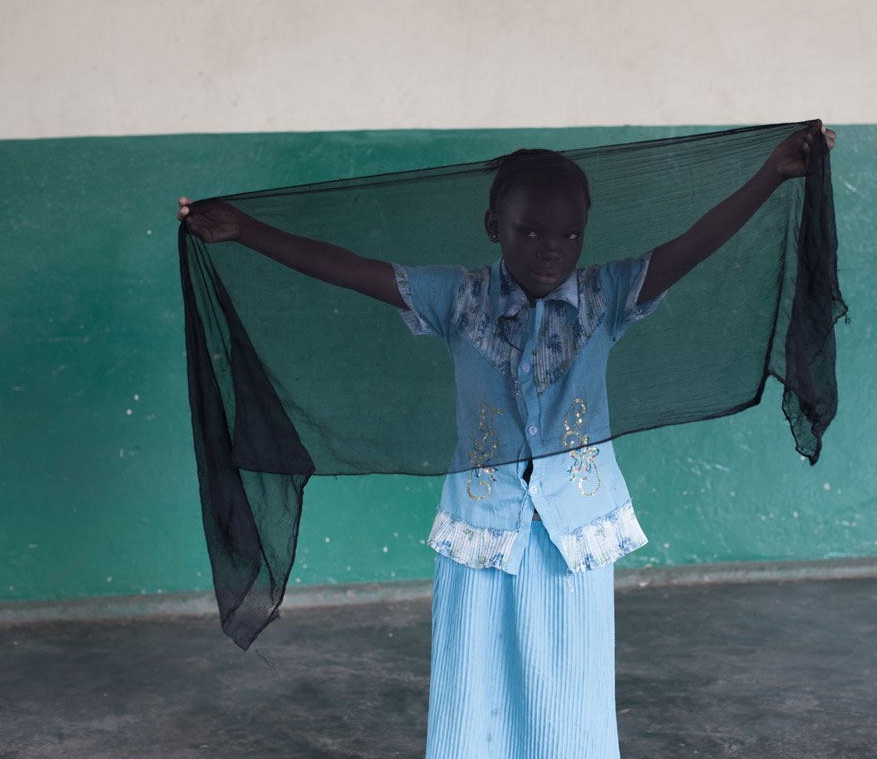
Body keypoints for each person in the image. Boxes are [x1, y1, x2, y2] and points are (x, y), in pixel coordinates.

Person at [177, 120, 836, 759]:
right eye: (530, 231)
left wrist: (771, 174)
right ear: (494, 228)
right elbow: (350, 269)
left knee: (570, 690)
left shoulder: (605, 298)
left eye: (570, 234)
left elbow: (692, 246)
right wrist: (247, 230)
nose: (552, 248)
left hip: (576, 528)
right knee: (474, 682)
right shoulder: (457, 299)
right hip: (481, 527)